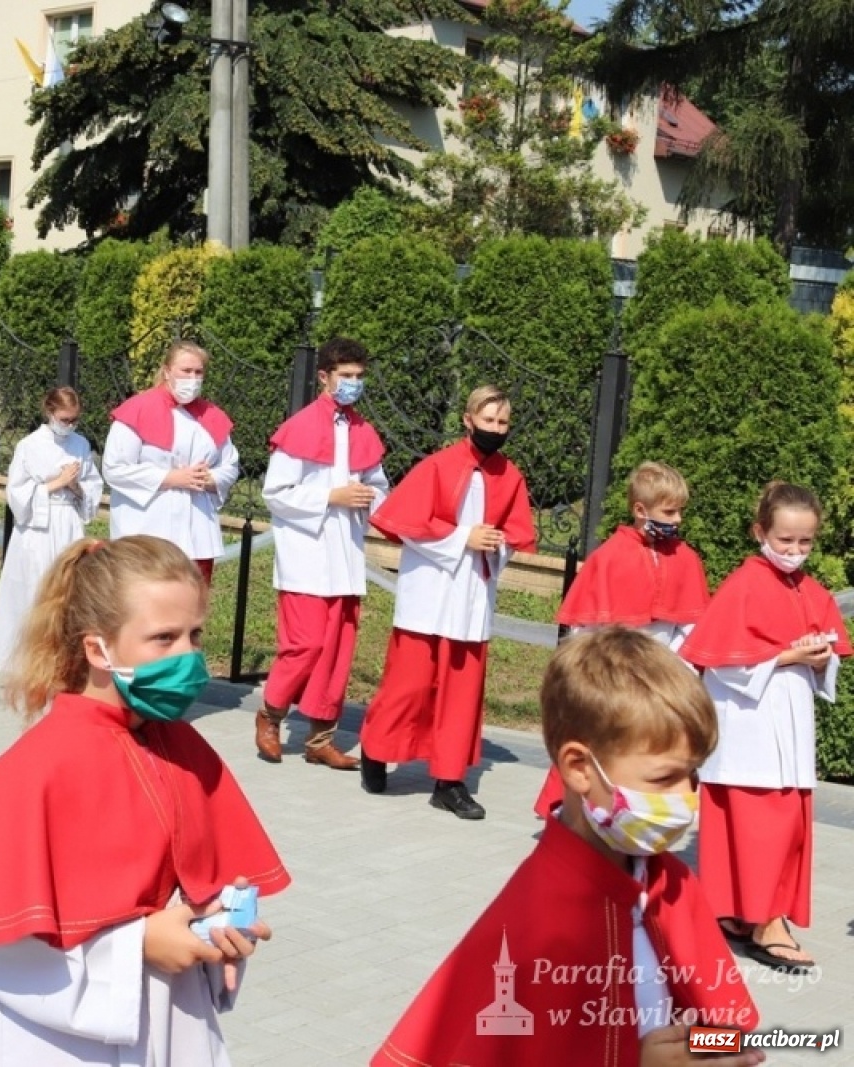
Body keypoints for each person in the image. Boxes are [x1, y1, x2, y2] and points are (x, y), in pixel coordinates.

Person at [0, 535, 289, 1065]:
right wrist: (137, 945)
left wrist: (219, 925)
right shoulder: (43, 766)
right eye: (163, 638)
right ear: (98, 649)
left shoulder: (183, 744)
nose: (188, 657)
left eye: (195, 635)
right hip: (54, 1045)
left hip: (170, 1021)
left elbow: (194, 885)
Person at [371, 629, 761, 1067]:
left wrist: (725, 1049)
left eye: (693, 776)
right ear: (578, 768)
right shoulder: (534, 922)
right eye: (663, 779)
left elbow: (724, 1035)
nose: (687, 799)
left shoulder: (672, 883)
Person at [681, 481, 847, 974]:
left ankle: (737, 914)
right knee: (756, 827)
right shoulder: (744, 585)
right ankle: (764, 922)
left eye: (806, 543)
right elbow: (719, 662)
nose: (796, 552)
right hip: (748, 730)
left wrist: (820, 661)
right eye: (785, 541)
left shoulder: (810, 590)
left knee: (784, 826)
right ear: (760, 532)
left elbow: (830, 656)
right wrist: (789, 655)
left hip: (789, 723)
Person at [358, 385, 536, 820]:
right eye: (488, 420)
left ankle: (449, 781)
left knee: (462, 692)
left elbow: (516, 533)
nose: (495, 429)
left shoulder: (509, 476)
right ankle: (376, 750)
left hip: (472, 595)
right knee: (409, 685)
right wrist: (463, 538)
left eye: (503, 422)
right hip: (429, 593)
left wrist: (495, 543)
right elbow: (410, 524)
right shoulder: (438, 466)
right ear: (468, 419)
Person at [533, 461, 710, 817]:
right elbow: (587, 631)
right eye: (669, 511)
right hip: (614, 675)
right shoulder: (610, 557)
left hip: (663, 678)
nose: (676, 520)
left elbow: (690, 630)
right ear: (640, 511)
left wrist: (676, 673)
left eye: (680, 512)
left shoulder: (686, 560)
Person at [257, 337, 387, 769]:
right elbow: (276, 493)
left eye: (358, 377)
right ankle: (271, 714)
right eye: (345, 376)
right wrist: (331, 496)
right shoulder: (300, 426)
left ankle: (320, 739)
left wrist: (373, 499)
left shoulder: (363, 430)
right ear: (324, 377)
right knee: (305, 645)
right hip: (307, 554)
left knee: (336, 651)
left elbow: (378, 486)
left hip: (345, 555)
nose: (352, 384)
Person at [102, 341, 238, 588]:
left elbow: (230, 465)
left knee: (190, 610)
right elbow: (115, 468)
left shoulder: (212, 415)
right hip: (148, 529)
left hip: (197, 533)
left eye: (198, 372)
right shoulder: (138, 409)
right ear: (167, 372)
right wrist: (171, 478)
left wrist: (212, 479)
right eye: (186, 371)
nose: (193, 378)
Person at [0, 387, 101, 672]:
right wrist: (56, 483)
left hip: (68, 522)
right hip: (39, 525)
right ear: (50, 412)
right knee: (35, 586)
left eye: (75, 420)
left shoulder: (80, 444)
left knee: (69, 589)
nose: (70, 426)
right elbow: (16, 493)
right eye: (65, 419)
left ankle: (63, 657)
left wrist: (76, 485)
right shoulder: (29, 445)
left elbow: (92, 486)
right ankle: (27, 656)